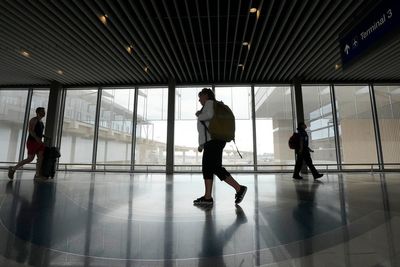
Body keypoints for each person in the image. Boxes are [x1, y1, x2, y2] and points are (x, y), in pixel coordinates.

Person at [194, 88, 247, 205]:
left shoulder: (209, 103)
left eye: (200, 96)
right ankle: (207, 197)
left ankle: (239, 188)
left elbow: (208, 116)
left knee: (214, 167)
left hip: (214, 141)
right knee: (208, 168)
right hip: (213, 141)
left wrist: (199, 114)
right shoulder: (211, 105)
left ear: (206, 95)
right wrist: (202, 145)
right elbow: (205, 129)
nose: (199, 100)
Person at [8, 107, 47, 180]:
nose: (44, 113)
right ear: (38, 112)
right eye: (42, 111)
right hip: (32, 142)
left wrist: (42, 136)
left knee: (40, 158)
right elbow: (31, 131)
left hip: (39, 142)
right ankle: (13, 168)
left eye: (44, 111)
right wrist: (36, 138)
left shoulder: (41, 122)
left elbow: (38, 131)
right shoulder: (33, 120)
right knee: (30, 159)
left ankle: (37, 175)